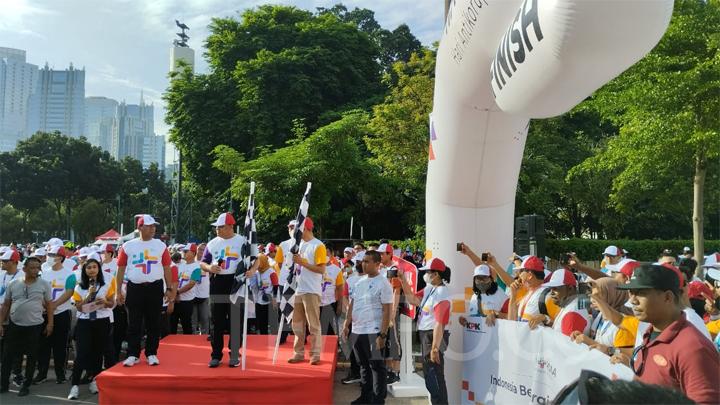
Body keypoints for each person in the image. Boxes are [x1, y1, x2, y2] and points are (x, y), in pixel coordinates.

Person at [612, 263, 720, 404]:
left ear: (667, 297)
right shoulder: (650, 334)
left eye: (641, 293)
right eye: (631, 292)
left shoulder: (692, 347)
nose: (632, 300)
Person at [116, 214, 175, 367]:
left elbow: (167, 268)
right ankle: (133, 354)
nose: (153, 229)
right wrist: (117, 291)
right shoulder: (128, 246)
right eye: (149, 226)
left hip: (155, 287)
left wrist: (169, 288)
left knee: (154, 323)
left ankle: (151, 353)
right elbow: (120, 269)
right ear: (140, 227)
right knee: (134, 323)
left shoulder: (160, 245)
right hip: (134, 287)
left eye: (154, 226)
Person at [200, 212, 254, 368]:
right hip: (218, 282)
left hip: (236, 282)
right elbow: (203, 263)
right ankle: (216, 354)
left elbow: (255, 259)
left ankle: (235, 353)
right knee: (217, 320)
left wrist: (252, 270)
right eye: (216, 227)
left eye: (220, 227)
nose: (217, 229)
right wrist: (210, 267)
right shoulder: (212, 243)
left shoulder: (243, 241)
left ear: (230, 227)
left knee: (235, 319)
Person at [341, 250, 392, 405]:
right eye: (363, 261)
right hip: (357, 330)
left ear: (377, 264)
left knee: (376, 367)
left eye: (367, 261)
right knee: (363, 366)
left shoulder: (383, 283)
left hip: (373, 331)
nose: (363, 264)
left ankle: (378, 400)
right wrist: (346, 324)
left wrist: (382, 335)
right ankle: (365, 396)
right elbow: (352, 304)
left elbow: (387, 310)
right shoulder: (359, 282)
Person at [398, 258, 451, 405]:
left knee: (434, 376)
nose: (426, 275)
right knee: (430, 375)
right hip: (427, 335)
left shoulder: (442, 293)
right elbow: (412, 299)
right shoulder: (430, 289)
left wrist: (435, 347)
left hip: (433, 336)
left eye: (428, 272)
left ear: (437, 274)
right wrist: (403, 280)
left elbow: (440, 323)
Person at [0, 257, 53, 397]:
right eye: (32, 268)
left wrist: (50, 323)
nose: (36, 270)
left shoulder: (44, 284)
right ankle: (3, 384)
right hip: (14, 325)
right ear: (24, 269)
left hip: (34, 327)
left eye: (37, 267)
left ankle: (26, 384)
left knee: (31, 356)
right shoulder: (13, 283)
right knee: (7, 356)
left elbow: (48, 305)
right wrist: (0, 323)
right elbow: (6, 304)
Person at [67, 257, 116, 399]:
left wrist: (105, 301)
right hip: (85, 322)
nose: (92, 270)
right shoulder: (79, 287)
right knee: (82, 354)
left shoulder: (106, 284)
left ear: (98, 269)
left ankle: (95, 380)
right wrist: (88, 295)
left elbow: (111, 303)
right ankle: (74, 386)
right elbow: (79, 307)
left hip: (102, 321)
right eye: (89, 268)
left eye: (94, 267)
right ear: (84, 270)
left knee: (98, 352)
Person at [35, 244, 76, 384]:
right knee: (43, 345)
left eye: (52, 256)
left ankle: (60, 374)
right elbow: (38, 289)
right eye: (49, 255)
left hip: (62, 312)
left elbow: (69, 291)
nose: (49, 258)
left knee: (60, 345)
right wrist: (45, 305)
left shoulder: (69, 274)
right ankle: (42, 373)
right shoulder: (43, 272)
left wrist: (54, 305)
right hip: (44, 313)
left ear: (60, 257)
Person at [288, 217, 326, 365]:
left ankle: (315, 355)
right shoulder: (299, 245)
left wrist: (303, 263)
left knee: (313, 324)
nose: (296, 232)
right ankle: (298, 353)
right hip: (298, 289)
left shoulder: (318, 246)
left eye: (298, 229)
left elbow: (322, 269)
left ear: (306, 229)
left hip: (311, 289)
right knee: (297, 324)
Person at [571, 277, 635, 357]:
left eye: (597, 296)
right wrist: (582, 337)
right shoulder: (601, 315)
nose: (592, 300)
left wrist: (590, 342)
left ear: (611, 295)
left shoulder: (624, 324)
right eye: (592, 295)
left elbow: (624, 359)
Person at [507, 256, 560, 327]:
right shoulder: (527, 293)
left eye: (521, 272)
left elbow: (560, 325)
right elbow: (511, 322)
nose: (519, 275)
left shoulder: (548, 295)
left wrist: (544, 318)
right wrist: (513, 296)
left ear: (529, 275)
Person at [540, 269, 591, 336]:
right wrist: (546, 319)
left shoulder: (572, 313)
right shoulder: (571, 304)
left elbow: (568, 345)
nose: (551, 293)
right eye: (550, 288)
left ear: (570, 289)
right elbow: (560, 328)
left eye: (555, 288)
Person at [377, 243, 402, 384]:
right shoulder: (381, 269)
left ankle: (395, 372)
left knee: (394, 341)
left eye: (382, 253)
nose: (380, 256)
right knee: (385, 340)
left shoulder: (393, 269)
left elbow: (396, 291)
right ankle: (387, 370)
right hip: (381, 309)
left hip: (390, 309)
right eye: (379, 254)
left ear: (389, 254)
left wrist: (393, 311)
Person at [0, 249, 25, 386]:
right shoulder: (1, 274)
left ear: (14, 262)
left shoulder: (22, 277)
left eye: (5, 261)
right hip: (1, 314)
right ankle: (4, 373)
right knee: (3, 346)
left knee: (15, 346)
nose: (2, 262)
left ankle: (17, 373)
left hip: (15, 316)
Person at [341, 254, 364, 385]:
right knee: (353, 347)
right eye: (359, 262)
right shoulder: (350, 280)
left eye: (364, 261)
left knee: (366, 349)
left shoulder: (372, 279)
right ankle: (355, 373)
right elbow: (345, 297)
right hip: (352, 320)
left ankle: (365, 376)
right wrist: (349, 310)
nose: (361, 264)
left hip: (368, 321)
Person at [171, 244, 201, 335]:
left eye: (185, 251)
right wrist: (175, 294)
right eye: (183, 251)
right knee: (172, 324)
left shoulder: (197, 267)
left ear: (193, 253)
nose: (183, 253)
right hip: (175, 299)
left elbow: (191, 284)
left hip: (187, 301)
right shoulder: (180, 265)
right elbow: (174, 280)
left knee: (186, 325)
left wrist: (177, 292)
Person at [250, 254, 278, 335]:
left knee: (272, 320)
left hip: (270, 300)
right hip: (259, 300)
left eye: (258, 262)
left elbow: (276, 285)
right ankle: (263, 337)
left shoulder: (271, 272)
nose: (257, 264)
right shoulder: (257, 272)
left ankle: (274, 338)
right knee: (261, 321)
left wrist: (274, 298)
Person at [320, 252, 343, 336]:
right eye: (323, 253)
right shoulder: (315, 268)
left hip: (329, 303)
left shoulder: (336, 270)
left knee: (328, 329)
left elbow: (340, 288)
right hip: (315, 303)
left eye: (327, 253)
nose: (325, 255)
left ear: (332, 254)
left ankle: (331, 347)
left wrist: (339, 305)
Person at [192, 243, 210, 335]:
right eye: (200, 249)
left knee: (205, 319)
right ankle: (193, 339)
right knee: (193, 320)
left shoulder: (208, 264)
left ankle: (204, 337)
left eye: (204, 250)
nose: (201, 252)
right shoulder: (191, 262)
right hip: (192, 295)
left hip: (204, 295)